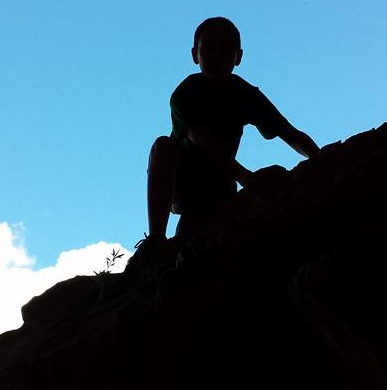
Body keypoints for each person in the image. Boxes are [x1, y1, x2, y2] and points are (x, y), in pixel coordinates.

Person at [134, 16, 321, 258]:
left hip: (219, 186)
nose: (216, 55)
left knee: (196, 240)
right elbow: (199, 137)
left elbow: (289, 133)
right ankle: (156, 239)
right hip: (183, 183)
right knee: (163, 146)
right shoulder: (185, 93)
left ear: (238, 56)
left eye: (225, 49)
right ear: (195, 55)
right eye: (208, 48)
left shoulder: (245, 94)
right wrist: (244, 176)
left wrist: (320, 159)